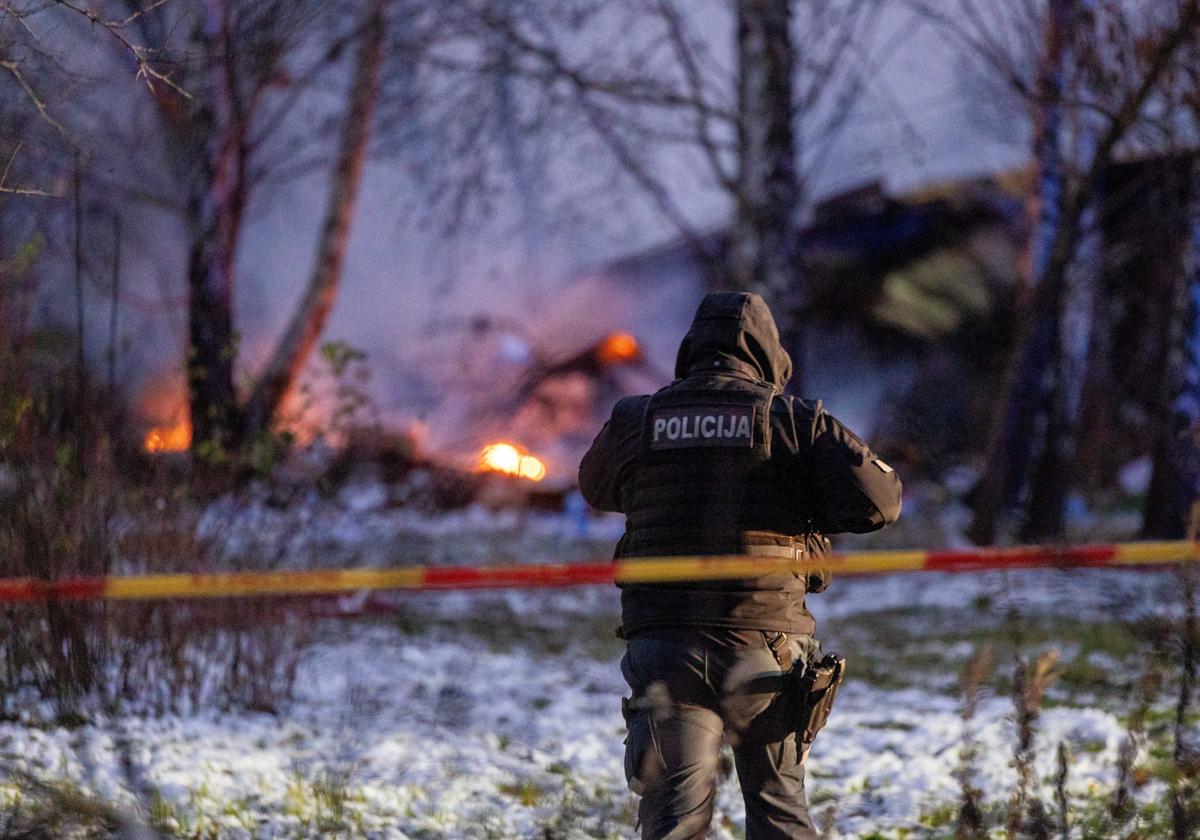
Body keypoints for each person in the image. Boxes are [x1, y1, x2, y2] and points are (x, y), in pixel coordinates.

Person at [578, 291, 902, 840]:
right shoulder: (794, 422)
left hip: (667, 649)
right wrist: (806, 498)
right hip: (764, 649)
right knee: (779, 814)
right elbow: (881, 501)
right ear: (768, 353)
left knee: (673, 824)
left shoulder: (641, 418)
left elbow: (596, 486)